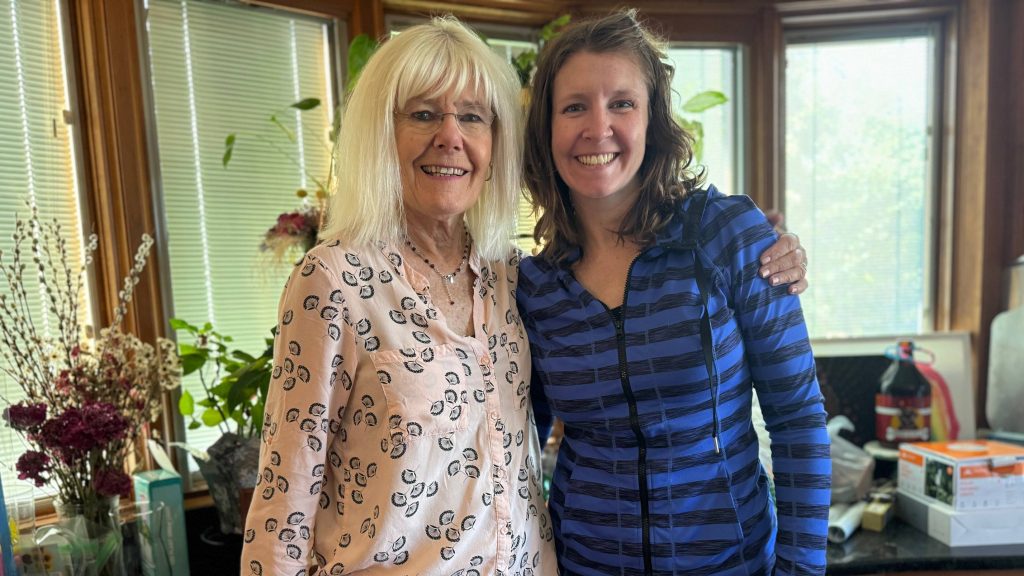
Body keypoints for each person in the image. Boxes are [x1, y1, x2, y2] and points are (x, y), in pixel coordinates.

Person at [239, 18, 558, 575]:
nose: (450, 136)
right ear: (381, 133)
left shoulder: (511, 274)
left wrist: (754, 247)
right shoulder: (333, 280)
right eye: (424, 113)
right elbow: (285, 494)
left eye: (472, 116)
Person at [517, 10, 830, 576]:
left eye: (622, 103)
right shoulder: (535, 288)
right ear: (547, 127)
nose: (598, 127)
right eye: (574, 106)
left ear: (653, 118)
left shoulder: (727, 236)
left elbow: (799, 421)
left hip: (730, 563)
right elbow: (516, 447)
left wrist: (800, 572)